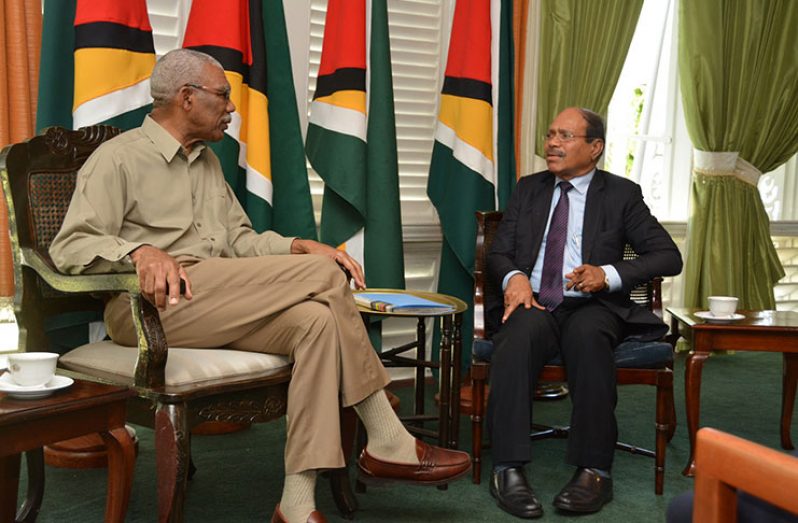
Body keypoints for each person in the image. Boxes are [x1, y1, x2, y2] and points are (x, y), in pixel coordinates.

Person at [49, 48, 470, 523]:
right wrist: (138, 253)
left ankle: (296, 503)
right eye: (223, 96)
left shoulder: (206, 163)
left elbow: (240, 241)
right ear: (187, 98)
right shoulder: (119, 158)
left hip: (216, 298)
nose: (231, 108)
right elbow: (71, 245)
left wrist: (297, 246)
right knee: (328, 277)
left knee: (314, 321)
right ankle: (386, 434)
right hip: (148, 310)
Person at [485, 107, 682, 518]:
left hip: (593, 305)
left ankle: (594, 470)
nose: (553, 143)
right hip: (535, 300)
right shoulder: (528, 188)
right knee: (516, 338)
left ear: (595, 148)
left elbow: (667, 255)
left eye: (566, 136)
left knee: (588, 338)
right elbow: (499, 252)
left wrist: (607, 273)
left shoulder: (622, 194)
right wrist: (516, 278)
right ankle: (508, 468)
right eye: (550, 134)